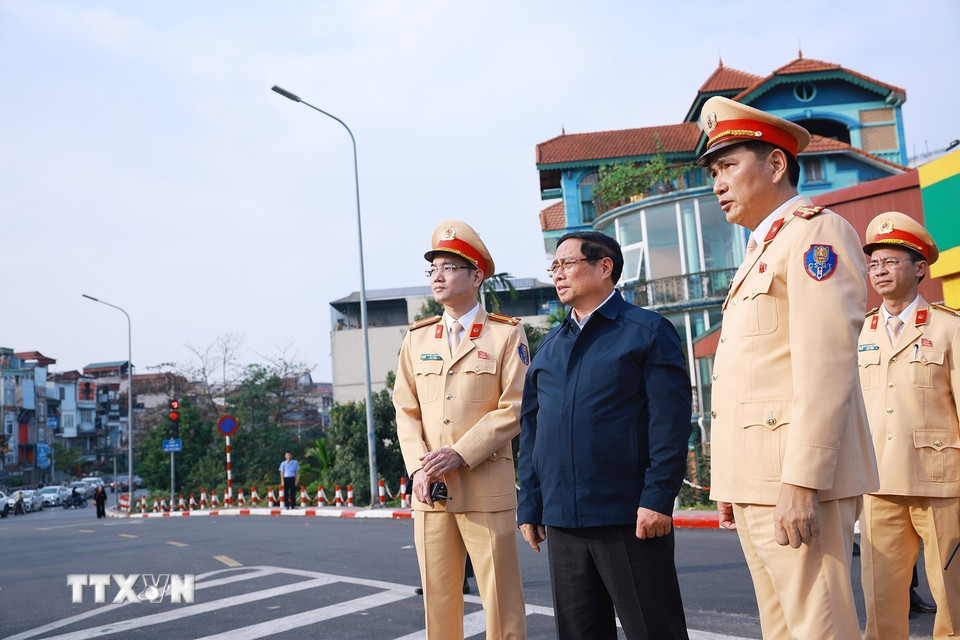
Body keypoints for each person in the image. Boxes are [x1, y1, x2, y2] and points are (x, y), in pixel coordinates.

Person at [700, 96, 879, 640]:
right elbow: (750, 377)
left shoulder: (812, 235)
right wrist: (729, 477)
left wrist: (800, 481)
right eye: (713, 171)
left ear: (776, 165)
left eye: (729, 166)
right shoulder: (763, 248)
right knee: (782, 629)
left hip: (795, 479)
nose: (717, 184)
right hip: (758, 477)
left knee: (817, 625)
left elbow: (827, 368)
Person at [518, 231, 692, 640]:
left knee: (654, 630)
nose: (557, 275)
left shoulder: (647, 332)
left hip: (629, 517)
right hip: (562, 522)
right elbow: (532, 431)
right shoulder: (549, 347)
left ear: (604, 267)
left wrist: (657, 498)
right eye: (554, 267)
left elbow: (670, 424)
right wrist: (531, 503)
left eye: (566, 264)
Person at [394, 219, 528, 640]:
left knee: (500, 601)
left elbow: (515, 406)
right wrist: (420, 467)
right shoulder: (417, 338)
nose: (437, 275)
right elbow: (405, 408)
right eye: (433, 268)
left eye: (450, 267)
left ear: (476, 276)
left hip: (485, 485)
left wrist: (460, 452)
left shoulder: (505, 333)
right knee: (438, 600)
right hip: (430, 491)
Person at [857, 211, 959, 640]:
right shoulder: (859, 331)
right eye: (874, 263)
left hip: (940, 484)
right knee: (881, 608)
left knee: (954, 601)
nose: (879, 271)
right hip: (878, 483)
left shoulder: (949, 327)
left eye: (891, 261)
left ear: (920, 268)